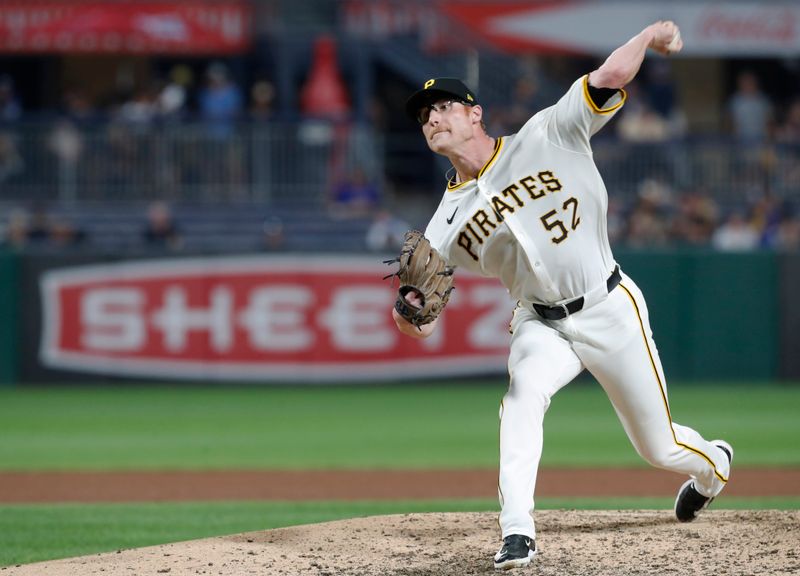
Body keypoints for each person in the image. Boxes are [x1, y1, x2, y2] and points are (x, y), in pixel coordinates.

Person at [393, 21, 733, 571]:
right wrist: (409, 313)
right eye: (424, 115)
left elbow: (608, 77)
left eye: (444, 106)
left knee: (658, 447)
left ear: (474, 113)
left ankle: (713, 465)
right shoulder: (442, 227)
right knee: (522, 397)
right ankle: (517, 532)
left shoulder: (546, 133)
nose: (432, 118)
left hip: (608, 307)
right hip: (540, 324)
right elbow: (423, 324)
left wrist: (646, 37)